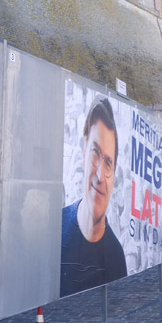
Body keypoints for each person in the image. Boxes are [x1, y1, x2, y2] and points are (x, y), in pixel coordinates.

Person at [60, 97, 126, 297]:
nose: (100, 176)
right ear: (83, 153)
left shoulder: (116, 258)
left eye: (108, 163)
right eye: (96, 153)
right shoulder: (55, 229)